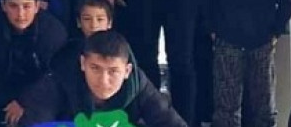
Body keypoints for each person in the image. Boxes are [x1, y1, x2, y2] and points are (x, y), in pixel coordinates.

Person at [20, 30, 187, 127]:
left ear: (127, 71)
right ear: (83, 64)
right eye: (95, 68)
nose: (103, 80)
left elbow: (171, 123)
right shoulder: (58, 82)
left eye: (113, 71)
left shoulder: (138, 85)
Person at [0, 0, 67, 127]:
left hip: (40, 89)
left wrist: (25, 100)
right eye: (13, 6)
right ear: (3, 6)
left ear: (37, 6)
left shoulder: (53, 31)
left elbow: (55, 75)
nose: (20, 14)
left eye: (26, 6)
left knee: (35, 120)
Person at [50, 0, 115, 77]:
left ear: (109, 23)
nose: (94, 25)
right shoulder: (69, 51)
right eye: (87, 19)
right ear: (79, 22)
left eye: (100, 19)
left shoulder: (118, 49)